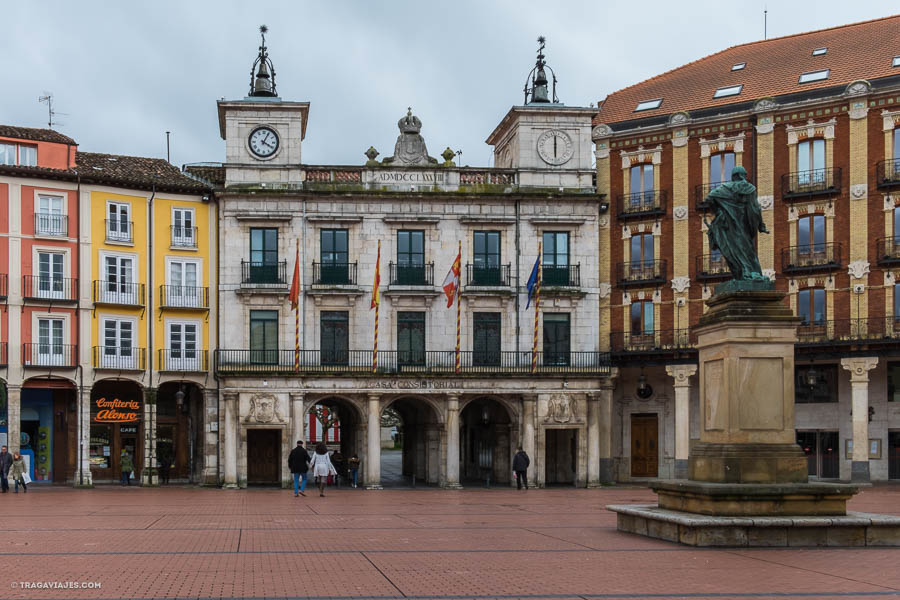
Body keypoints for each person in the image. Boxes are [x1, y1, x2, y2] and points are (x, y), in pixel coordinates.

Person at [703, 165, 770, 282]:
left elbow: (710, 198)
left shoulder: (725, 188)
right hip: (743, 226)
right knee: (747, 251)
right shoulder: (749, 189)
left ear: (733, 176)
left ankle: (742, 273)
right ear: (742, 175)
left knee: (733, 250)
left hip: (728, 227)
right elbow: (755, 209)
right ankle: (749, 273)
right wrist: (760, 225)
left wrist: (719, 210)